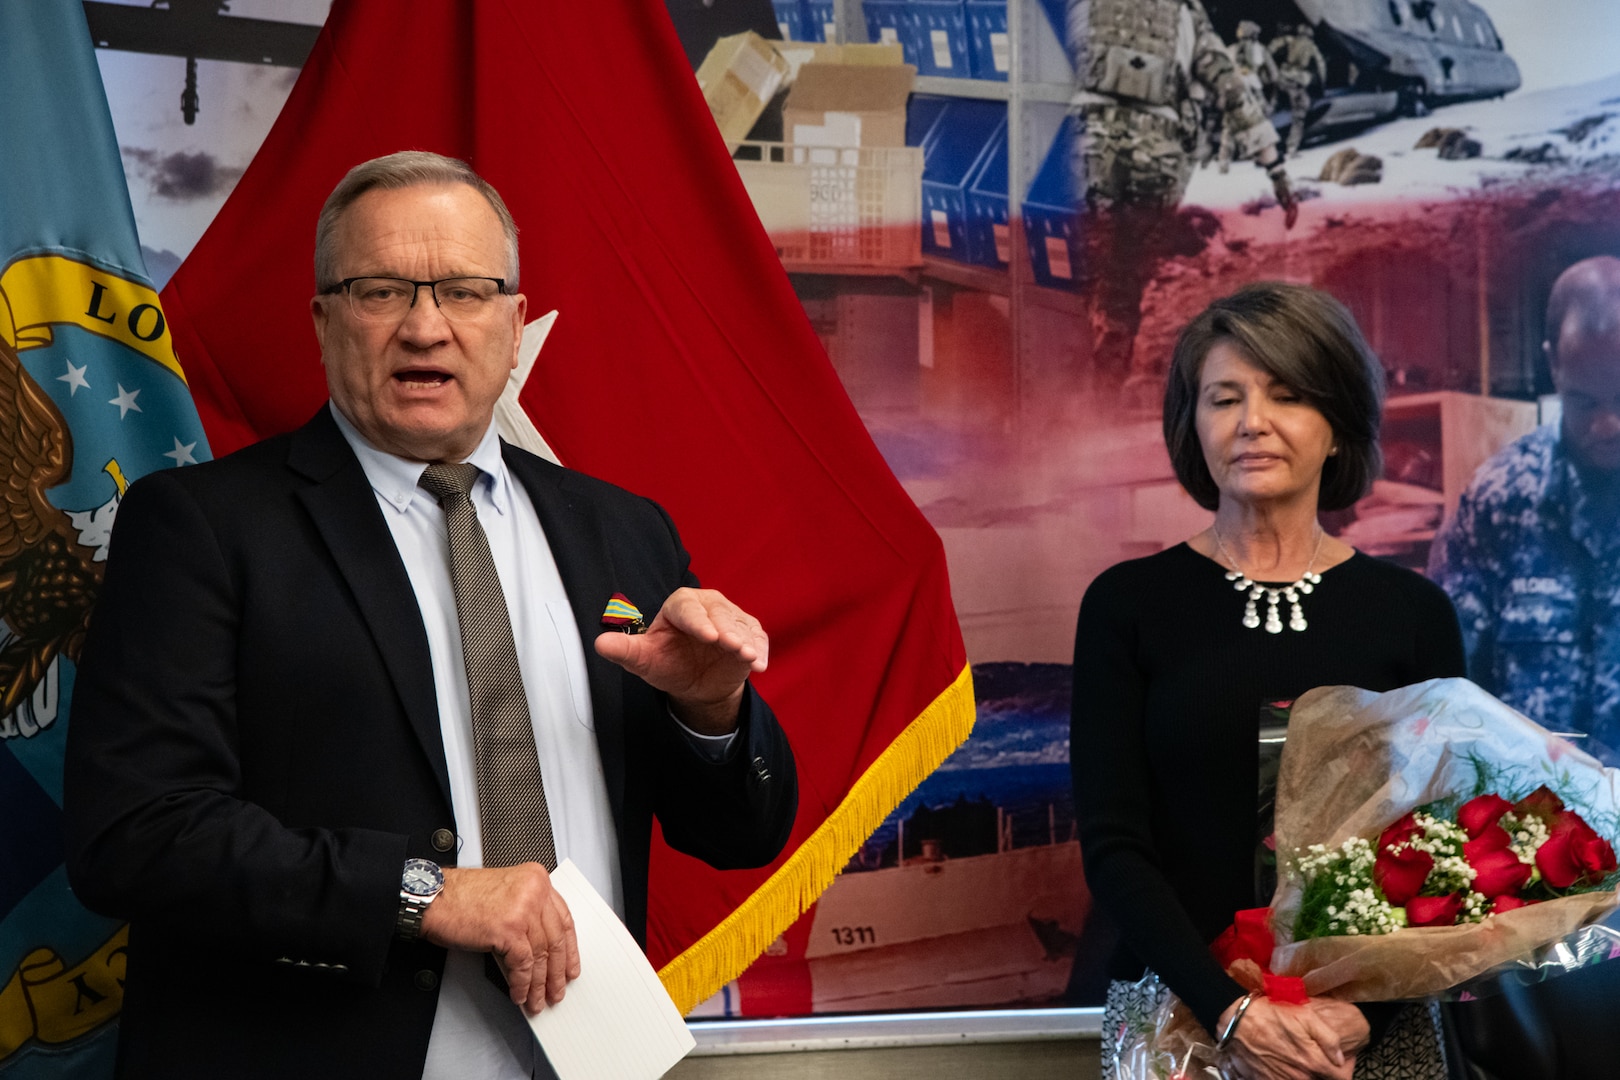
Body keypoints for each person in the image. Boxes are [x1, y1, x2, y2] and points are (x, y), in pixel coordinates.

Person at [62, 151, 798, 1079]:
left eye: (464, 291)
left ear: (515, 321)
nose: (425, 327)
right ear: (324, 321)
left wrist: (711, 715)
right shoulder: (200, 528)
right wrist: (422, 895)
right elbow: (134, 837)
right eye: (379, 292)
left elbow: (741, 836)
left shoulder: (623, 531)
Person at [1072, 282, 1466, 1079]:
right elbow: (1116, 846)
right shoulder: (1127, 605)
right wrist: (1230, 1011)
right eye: (1224, 398)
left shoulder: (1413, 613)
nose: (1252, 421)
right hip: (1179, 1019)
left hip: (1363, 1034)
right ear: (1194, 427)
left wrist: (1363, 1014)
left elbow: (1441, 844)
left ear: (1337, 427)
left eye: (1286, 395)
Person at [1428, 254, 1620, 1079]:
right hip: (1536, 903)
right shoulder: (1497, 501)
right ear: (1550, 360)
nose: (1612, 424)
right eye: (1587, 403)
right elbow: (1446, 699)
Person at [1067, 0, 1299, 399]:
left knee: (1082, 270)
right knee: (1126, 279)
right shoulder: (1185, 11)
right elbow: (1229, 86)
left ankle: (1068, 385)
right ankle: (1104, 387)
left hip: (1090, 147)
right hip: (1157, 154)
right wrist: (1274, 165)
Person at [1269, 22, 1326, 158]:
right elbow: (1321, 66)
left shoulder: (1290, 40)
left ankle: (1265, 143)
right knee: (1299, 116)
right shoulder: (1312, 47)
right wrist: (1321, 86)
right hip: (1297, 81)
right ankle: (1292, 148)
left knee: (1271, 108)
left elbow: (1272, 47)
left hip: (1283, 76)